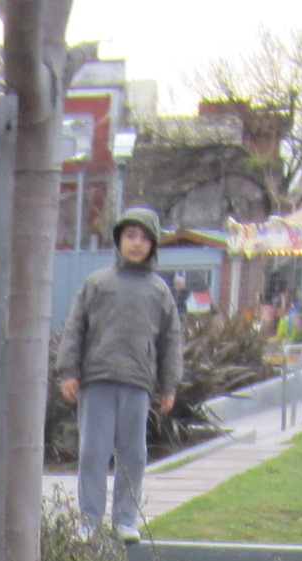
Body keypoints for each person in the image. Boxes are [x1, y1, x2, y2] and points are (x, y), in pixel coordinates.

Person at [57, 207, 182, 543]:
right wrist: (69, 371)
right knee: (93, 453)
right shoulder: (97, 283)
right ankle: (89, 520)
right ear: (118, 240)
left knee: (133, 455)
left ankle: (126, 520)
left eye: (144, 238)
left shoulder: (159, 291)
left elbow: (171, 340)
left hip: (138, 383)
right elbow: (75, 328)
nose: (136, 243)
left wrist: (169, 385)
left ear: (153, 245)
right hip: (97, 381)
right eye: (130, 236)